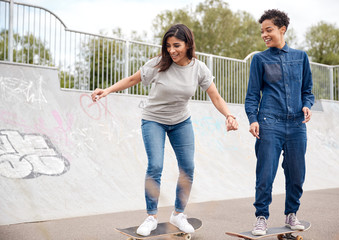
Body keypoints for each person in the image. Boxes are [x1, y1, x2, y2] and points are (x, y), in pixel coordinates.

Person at [91, 23, 238, 236]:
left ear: (188, 44)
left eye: (177, 45)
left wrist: (229, 115)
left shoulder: (199, 68)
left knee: (187, 168)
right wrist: (108, 90)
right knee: (155, 166)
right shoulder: (158, 64)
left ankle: (178, 214)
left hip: (181, 122)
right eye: (168, 46)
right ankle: (151, 217)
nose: (172, 50)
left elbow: (215, 96)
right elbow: (133, 79)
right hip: (154, 121)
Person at [244, 9, 315, 236]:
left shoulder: (300, 57)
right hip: (269, 123)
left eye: (269, 30)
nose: (264, 34)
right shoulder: (260, 59)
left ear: (282, 29)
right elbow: (252, 95)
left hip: (296, 125)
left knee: (296, 174)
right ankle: (261, 217)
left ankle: (291, 213)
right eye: (262, 31)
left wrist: (307, 105)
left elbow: (308, 91)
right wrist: (253, 119)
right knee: (265, 173)